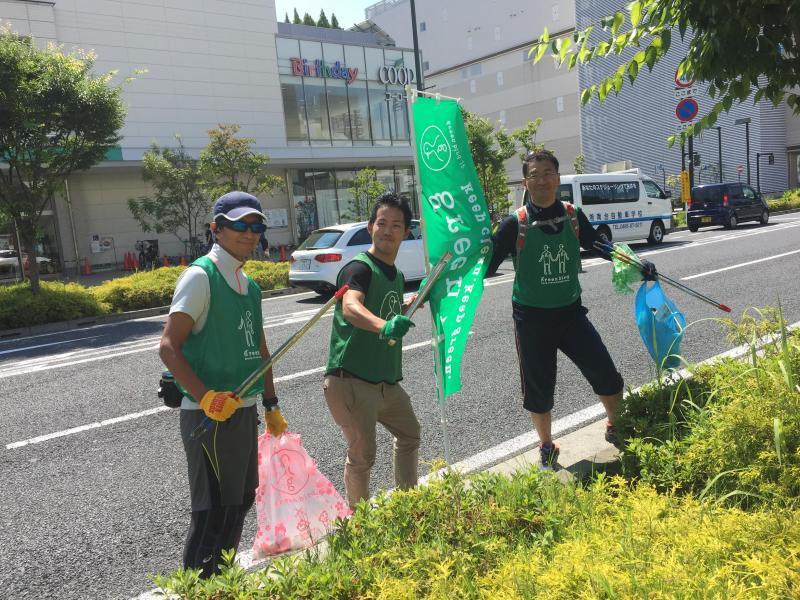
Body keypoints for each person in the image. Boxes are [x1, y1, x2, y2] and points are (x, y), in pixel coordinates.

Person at [487, 149, 657, 468]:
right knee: (538, 388)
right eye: (535, 175)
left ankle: (615, 426)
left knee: (606, 373)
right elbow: (487, 266)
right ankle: (547, 446)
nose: (542, 180)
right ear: (526, 182)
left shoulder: (571, 214)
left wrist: (635, 262)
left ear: (558, 177)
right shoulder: (515, 223)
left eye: (548, 173)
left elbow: (598, 245)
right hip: (532, 319)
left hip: (571, 313)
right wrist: (476, 250)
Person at [159, 191, 289, 578]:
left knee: (240, 500)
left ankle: (222, 582)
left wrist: (271, 404)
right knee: (212, 509)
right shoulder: (201, 276)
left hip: (244, 409)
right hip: (206, 417)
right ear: (216, 228)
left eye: (257, 226)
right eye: (239, 225)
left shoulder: (248, 285)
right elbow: (168, 347)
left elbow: (259, 348)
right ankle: (199, 588)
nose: (250, 233)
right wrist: (206, 398)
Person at [323, 192, 421, 509]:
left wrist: (409, 305)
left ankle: (406, 506)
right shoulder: (358, 269)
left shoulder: (397, 275)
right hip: (351, 379)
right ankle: (361, 524)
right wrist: (383, 326)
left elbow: (389, 310)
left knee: (410, 434)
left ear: (406, 232)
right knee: (363, 455)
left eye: (396, 225)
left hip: (385, 383)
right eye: (382, 223)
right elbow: (351, 306)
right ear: (370, 227)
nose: (388, 231)